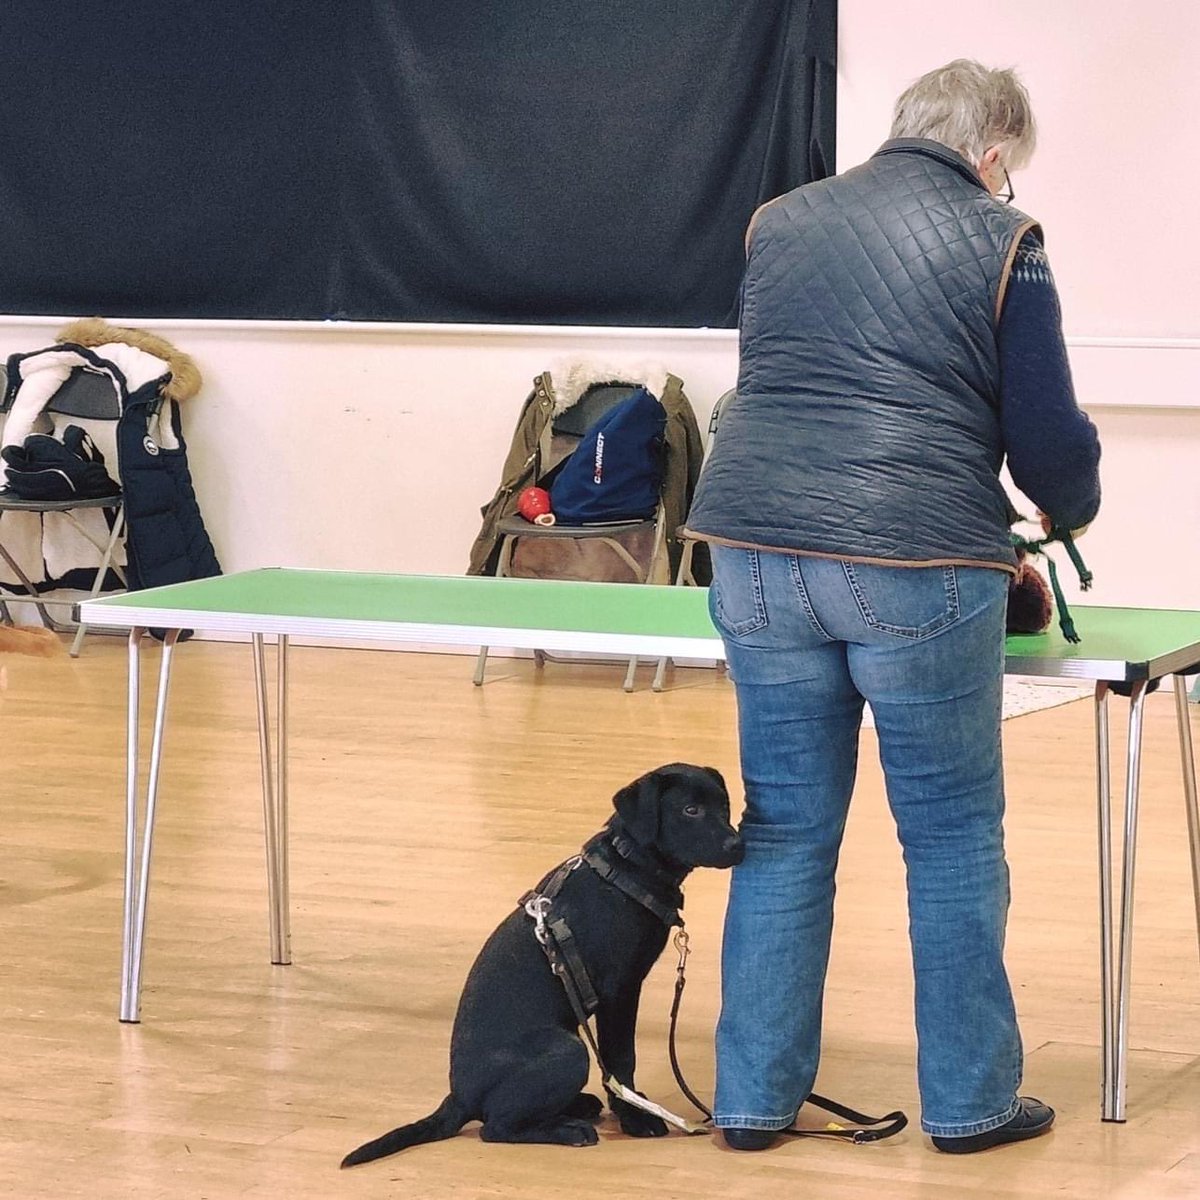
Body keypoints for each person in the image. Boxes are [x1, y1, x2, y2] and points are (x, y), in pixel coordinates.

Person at [682, 59, 1101, 1153]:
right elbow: (1049, 442)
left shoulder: (780, 222)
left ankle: (752, 1103)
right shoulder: (1005, 238)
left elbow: (775, 389)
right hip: (915, 561)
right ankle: (971, 1105)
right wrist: (1072, 512)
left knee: (784, 830)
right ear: (995, 152)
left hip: (753, 555)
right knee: (953, 835)